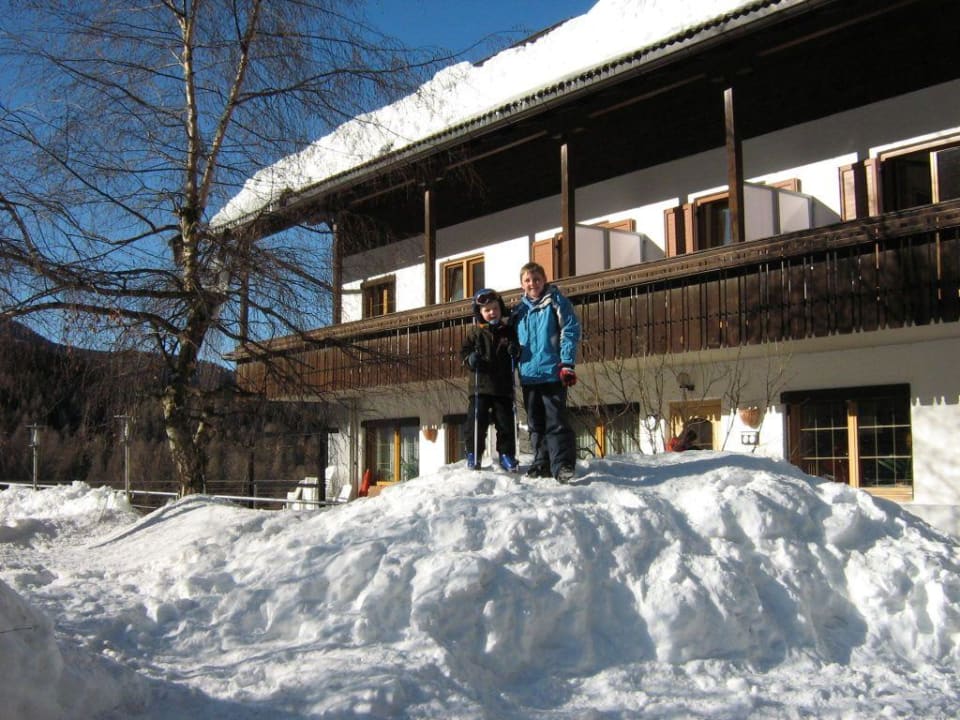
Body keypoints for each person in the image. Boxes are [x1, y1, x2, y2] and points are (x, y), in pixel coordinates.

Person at [511, 262, 581, 483]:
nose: (533, 284)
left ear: (544, 279)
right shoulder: (518, 311)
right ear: (522, 284)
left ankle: (562, 465)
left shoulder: (556, 301)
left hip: (552, 372)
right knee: (535, 422)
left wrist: (567, 363)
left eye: (536, 279)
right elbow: (511, 340)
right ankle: (541, 462)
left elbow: (570, 330)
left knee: (556, 419)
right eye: (528, 280)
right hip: (529, 375)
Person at [460, 288, 521, 472]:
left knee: (505, 422)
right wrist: (470, 359)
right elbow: (463, 354)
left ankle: (506, 454)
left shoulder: (508, 331)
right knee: (477, 421)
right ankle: (474, 453)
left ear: (500, 309)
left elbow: (517, 351)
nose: (492, 312)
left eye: (495, 308)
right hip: (480, 386)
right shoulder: (475, 333)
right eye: (487, 310)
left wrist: (514, 351)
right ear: (480, 314)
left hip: (502, 386)